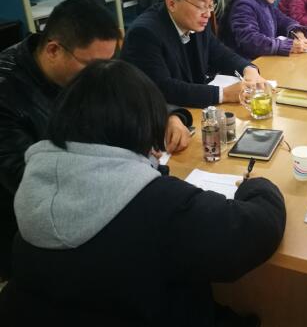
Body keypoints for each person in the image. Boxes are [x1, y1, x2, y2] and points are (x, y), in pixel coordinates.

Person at [0, 60, 286, 326]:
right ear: (139, 125)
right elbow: (257, 230)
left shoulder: (35, 181)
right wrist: (255, 185)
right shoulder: (158, 204)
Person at [0, 0, 192, 282]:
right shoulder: (7, 95)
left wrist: (169, 117)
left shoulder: (84, 69)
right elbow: (35, 183)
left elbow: (123, 91)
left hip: (96, 206)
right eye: (93, 66)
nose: (103, 76)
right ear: (53, 50)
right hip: (44, 236)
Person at [121, 0, 266, 108]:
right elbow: (163, 88)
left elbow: (220, 53)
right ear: (172, 3)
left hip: (193, 108)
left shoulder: (196, 22)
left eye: (211, 5)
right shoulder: (144, 34)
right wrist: (224, 94)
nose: (208, 14)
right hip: (163, 114)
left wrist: (248, 69)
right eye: (201, 5)